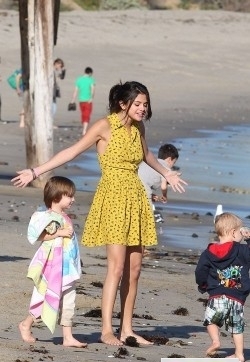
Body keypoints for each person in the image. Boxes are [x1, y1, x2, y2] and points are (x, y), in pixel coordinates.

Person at [12, 80, 187, 346]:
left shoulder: (138, 127)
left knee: (135, 268)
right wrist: (35, 171)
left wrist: (167, 173)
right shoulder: (104, 126)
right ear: (123, 103)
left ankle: (127, 329)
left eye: (145, 104)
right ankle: (107, 330)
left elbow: (147, 155)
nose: (142, 109)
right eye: (137, 104)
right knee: (115, 268)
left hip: (136, 198)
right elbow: (72, 151)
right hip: (114, 197)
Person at [18, 176, 87, 348]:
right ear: (57, 196)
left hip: (67, 266)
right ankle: (26, 324)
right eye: (69, 196)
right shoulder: (47, 216)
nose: (73, 199)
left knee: (69, 300)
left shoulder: (64, 216)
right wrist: (59, 233)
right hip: (52, 267)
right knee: (45, 297)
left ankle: (68, 336)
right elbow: (38, 236)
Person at [195, 212, 250, 362]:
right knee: (236, 327)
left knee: (211, 320)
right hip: (237, 296)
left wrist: (203, 284)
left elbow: (200, 271)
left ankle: (215, 341)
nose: (241, 235)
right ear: (233, 233)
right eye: (240, 232)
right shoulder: (242, 250)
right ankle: (239, 353)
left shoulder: (208, 252)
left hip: (217, 294)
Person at [70, 67, 96, 135]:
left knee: (83, 114)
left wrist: (72, 100)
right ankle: (84, 130)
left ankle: (84, 128)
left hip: (81, 100)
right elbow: (93, 90)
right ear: (90, 73)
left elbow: (75, 91)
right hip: (88, 100)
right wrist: (91, 98)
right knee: (87, 114)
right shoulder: (91, 80)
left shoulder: (79, 80)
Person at [53, 58, 65, 127]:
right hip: (51, 90)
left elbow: (61, 78)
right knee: (53, 107)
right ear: (56, 64)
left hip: (54, 90)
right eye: (60, 66)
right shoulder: (52, 70)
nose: (60, 68)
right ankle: (50, 123)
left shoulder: (55, 71)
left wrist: (62, 71)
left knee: (53, 106)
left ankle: (50, 122)